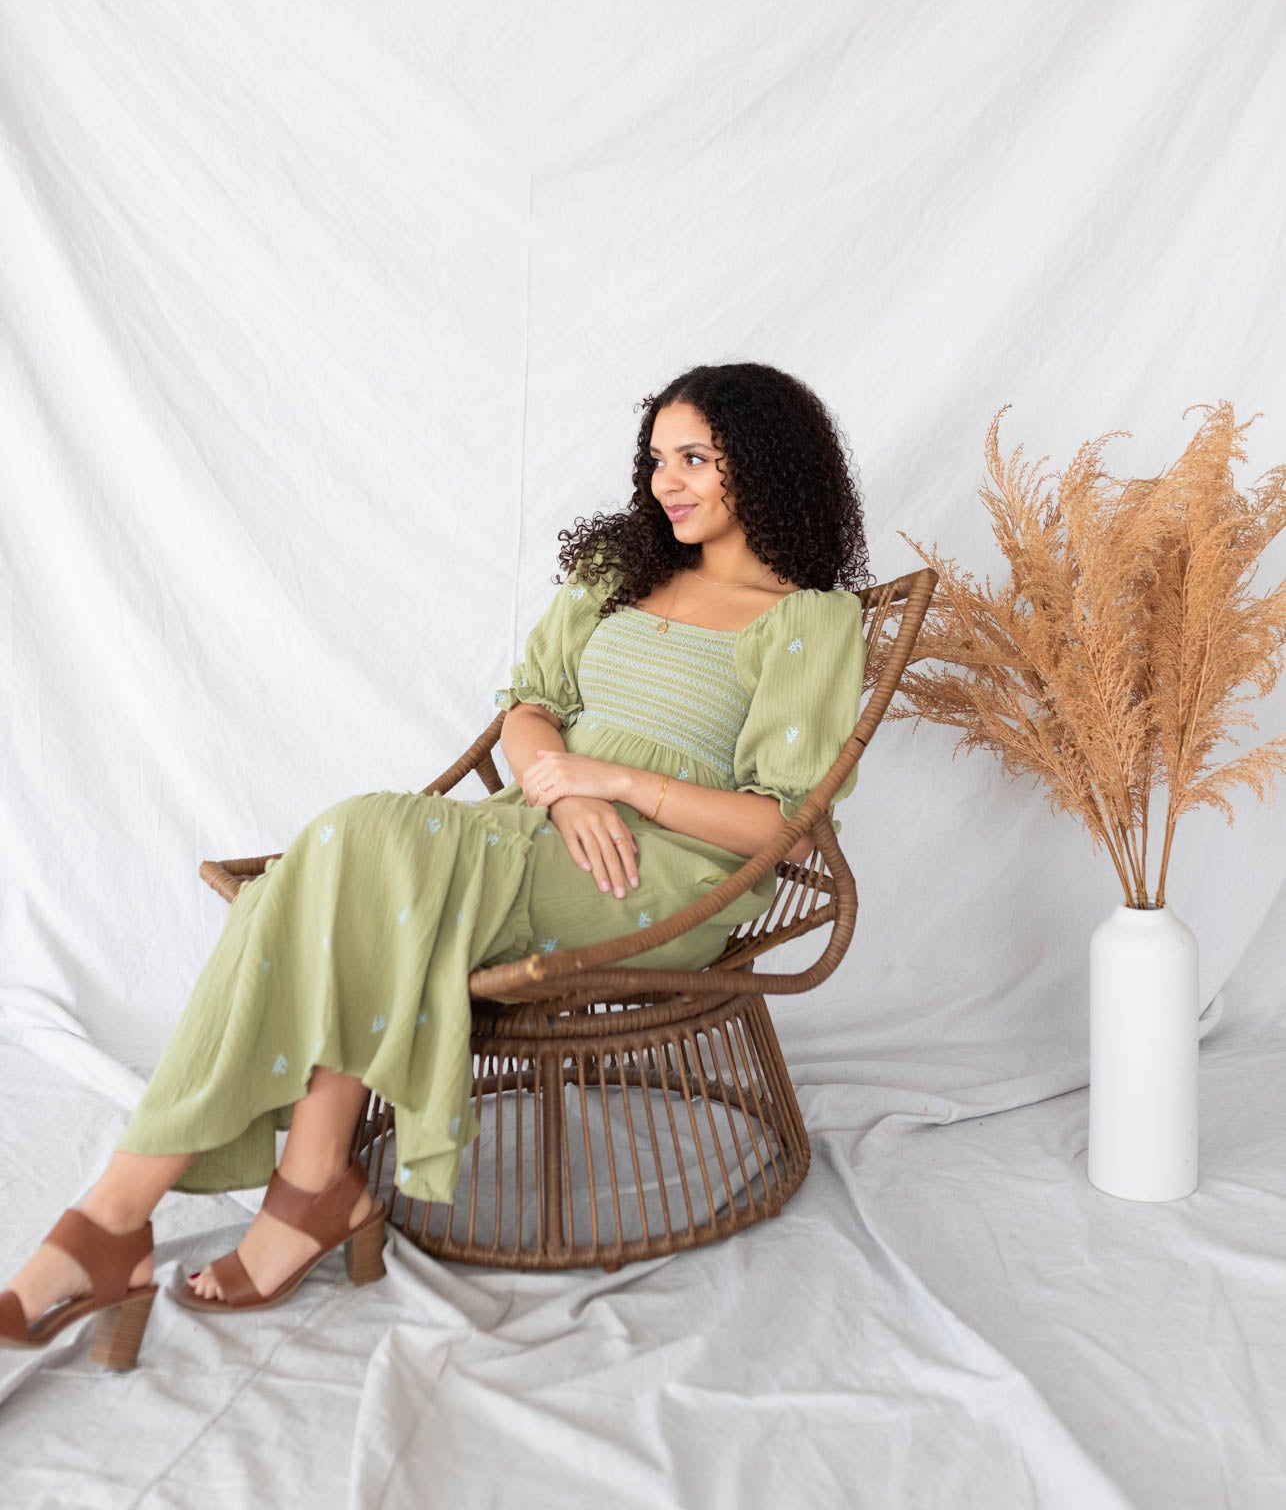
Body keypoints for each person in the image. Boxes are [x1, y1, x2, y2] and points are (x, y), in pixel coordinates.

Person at [0, 360, 872, 1367]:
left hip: (662, 876)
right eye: (654, 459)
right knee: (345, 861)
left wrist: (619, 788)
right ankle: (300, 1185)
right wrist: (567, 783)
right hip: (538, 826)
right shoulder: (616, 573)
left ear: (761, 465)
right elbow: (528, 704)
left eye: (693, 459)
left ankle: (124, 1219)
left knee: (348, 847)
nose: (664, 482)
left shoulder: (805, 620)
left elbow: (783, 823)